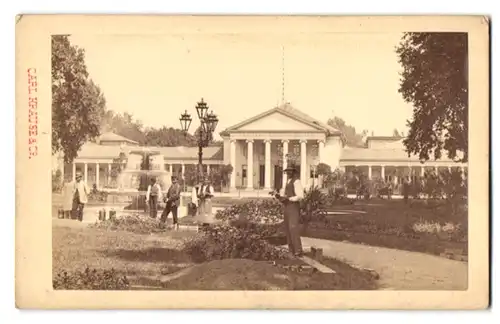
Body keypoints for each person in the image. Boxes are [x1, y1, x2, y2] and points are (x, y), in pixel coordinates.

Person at [274, 164, 304, 257]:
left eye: (290, 171)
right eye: (287, 171)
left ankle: (298, 250)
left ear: (294, 172)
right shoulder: (288, 181)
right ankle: (291, 249)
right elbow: (284, 194)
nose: (288, 173)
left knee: (293, 227)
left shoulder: (297, 181)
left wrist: (289, 199)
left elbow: (300, 196)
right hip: (287, 207)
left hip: (293, 206)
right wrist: (278, 196)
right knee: (287, 228)